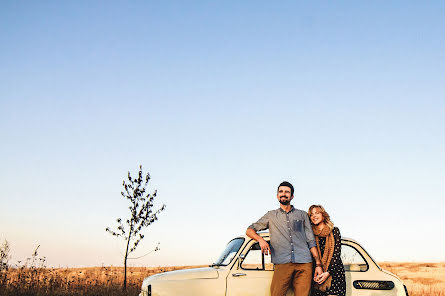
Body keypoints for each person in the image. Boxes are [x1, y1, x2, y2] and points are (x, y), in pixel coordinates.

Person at [246, 181, 323, 296]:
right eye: (281, 191)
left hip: (304, 263)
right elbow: (249, 230)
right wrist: (260, 240)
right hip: (282, 263)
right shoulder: (271, 215)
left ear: (292, 196)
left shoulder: (302, 215)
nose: (284, 194)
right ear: (277, 195)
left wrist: (318, 264)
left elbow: (311, 241)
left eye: (287, 192)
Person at [308, 205, 346, 296]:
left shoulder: (334, 231)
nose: (314, 216)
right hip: (317, 274)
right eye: (311, 214)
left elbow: (336, 254)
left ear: (323, 215)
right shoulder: (310, 234)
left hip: (334, 274)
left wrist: (328, 273)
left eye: (317, 213)